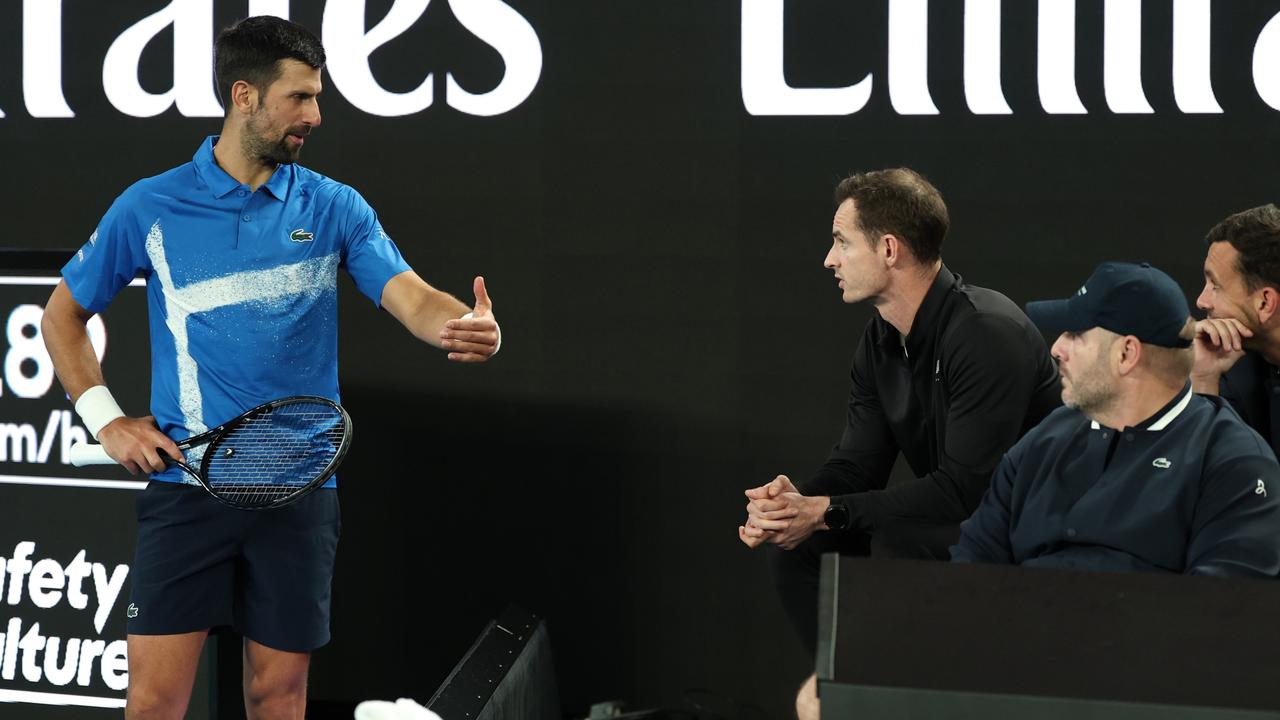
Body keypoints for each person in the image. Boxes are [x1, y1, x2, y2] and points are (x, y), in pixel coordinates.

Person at [39, 17, 500, 720]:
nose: (315, 116)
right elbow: (61, 316)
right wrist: (107, 422)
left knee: (278, 697)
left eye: (317, 98)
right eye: (300, 98)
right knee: (154, 704)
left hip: (301, 492)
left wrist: (458, 327)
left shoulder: (335, 205)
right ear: (244, 95)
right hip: (187, 489)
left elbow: (409, 294)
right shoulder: (152, 206)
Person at [738, 168, 1060, 720]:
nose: (828, 259)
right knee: (798, 547)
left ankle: (875, 697)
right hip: (952, 517)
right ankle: (843, 694)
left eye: (841, 241)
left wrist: (827, 511)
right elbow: (858, 463)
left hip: (1027, 528)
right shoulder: (881, 337)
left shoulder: (986, 332)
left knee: (897, 542)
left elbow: (966, 491)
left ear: (889, 249)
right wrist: (795, 508)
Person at [952, 262, 1280, 576]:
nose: (1056, 348)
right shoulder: (1043, 441)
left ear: (1126, 354)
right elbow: (971, 567)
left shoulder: (1233, 463)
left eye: (1075, 334)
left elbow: (1226, 610)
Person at [1191, 204, 1280, 454]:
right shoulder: (1230, 362)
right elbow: (1198, 476)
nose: (1201, 301)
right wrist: (1203, 379)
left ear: (1264, 303)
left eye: (1215, 285)